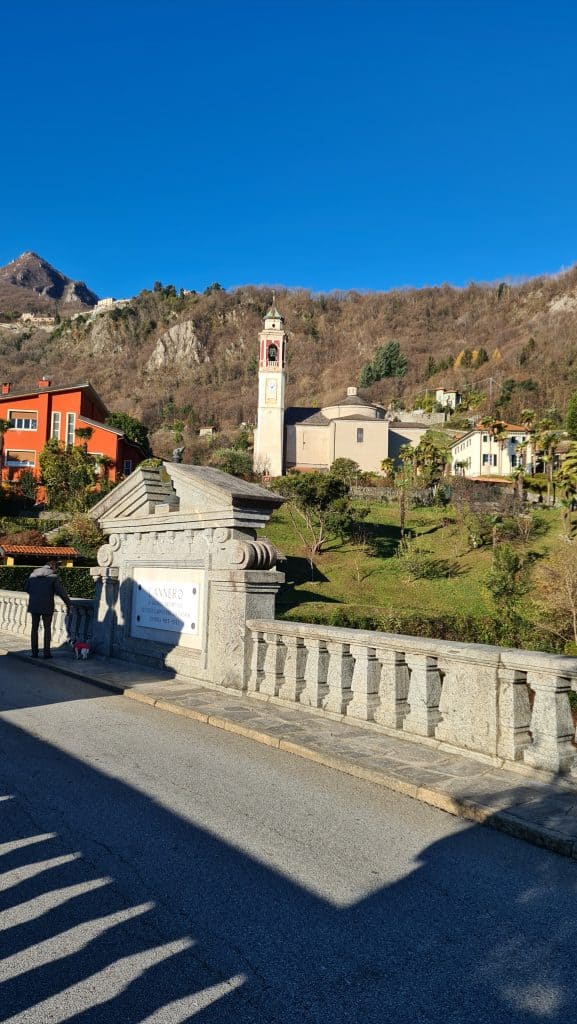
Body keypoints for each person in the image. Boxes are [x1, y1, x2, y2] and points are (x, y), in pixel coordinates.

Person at [24, 558, 71, 659]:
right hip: (47, 605)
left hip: (34, 605)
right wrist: (68, 604)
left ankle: (34, 652)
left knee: (34, 629)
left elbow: (26, 588)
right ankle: (46, 653)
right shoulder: (54, 577)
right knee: (47, 629)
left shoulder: (33, 574)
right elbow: (61, 593)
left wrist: (36, 595)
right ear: (53, 567)